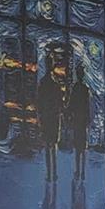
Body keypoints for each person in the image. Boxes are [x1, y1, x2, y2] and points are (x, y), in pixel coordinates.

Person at [35, 43, 69, 183]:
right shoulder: (54, 83)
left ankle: (50, 173)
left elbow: (39, 102)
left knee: (48, 144)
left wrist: (40, 117)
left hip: (46, 117)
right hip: (53, 117)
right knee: (52, 145)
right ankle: (52, 172)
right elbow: (59, 102)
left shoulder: (43, 82)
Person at [65, 49, 94, 183]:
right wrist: (89, 119)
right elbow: (88, 105)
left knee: (77, 147)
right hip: (83, 120)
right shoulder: (85, 89)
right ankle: (82, 171)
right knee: (82, 145)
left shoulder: (75, 88)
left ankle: (77, 171)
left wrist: (68, 114)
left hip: (77, 119)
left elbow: (71, 104)